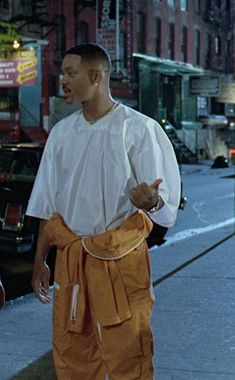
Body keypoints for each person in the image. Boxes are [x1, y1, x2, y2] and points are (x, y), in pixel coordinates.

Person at [26, 43, 181, 380]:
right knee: (73, 352)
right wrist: (40, 262)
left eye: (70, 72)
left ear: (95, 76)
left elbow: (161, 202)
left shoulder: (138, 129)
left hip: (121, 263)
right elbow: (47, 206)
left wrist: (150, 202)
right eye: (62, 72)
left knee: (129, 352)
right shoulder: (62, 134)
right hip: (72, 262)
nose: (62, 79)